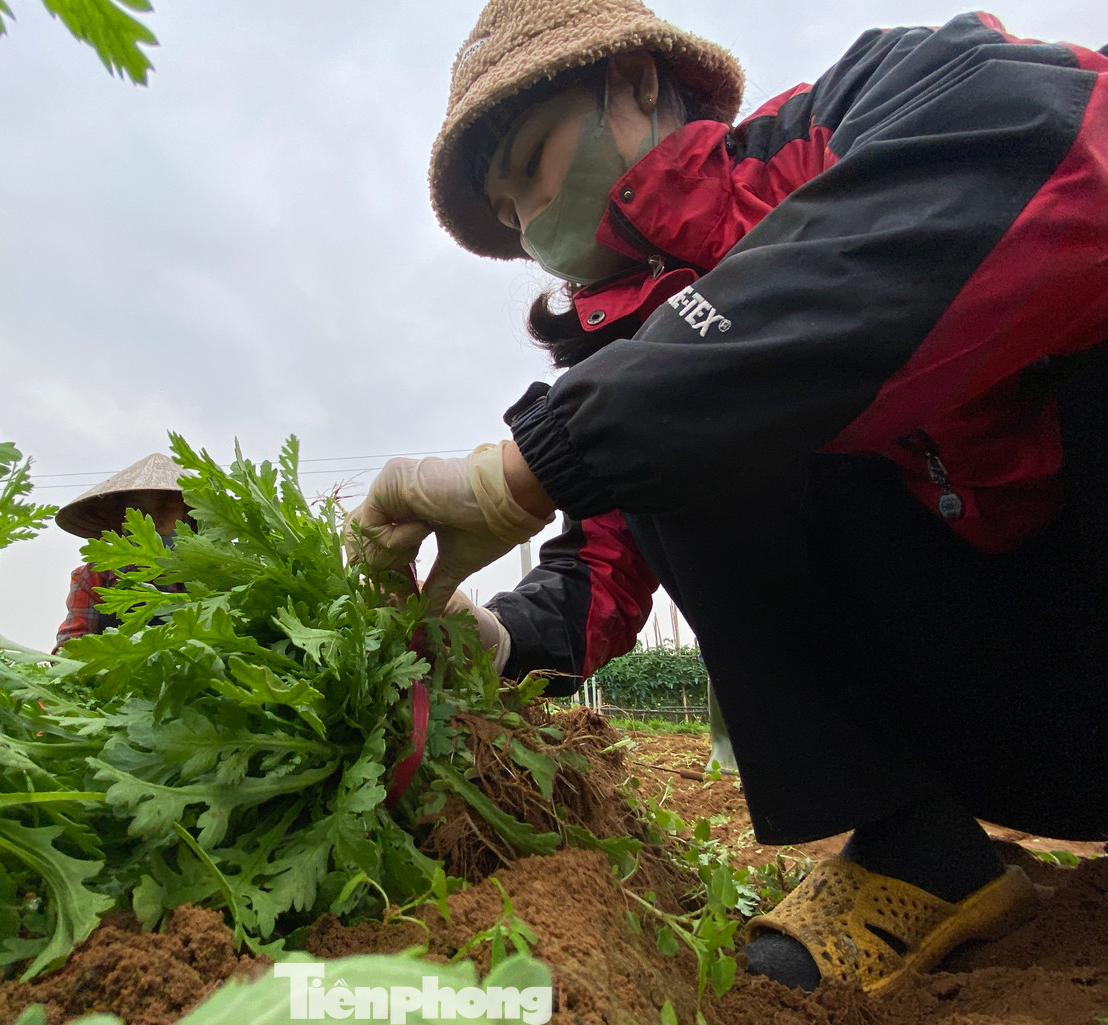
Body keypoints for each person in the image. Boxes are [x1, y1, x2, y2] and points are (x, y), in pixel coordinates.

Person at [347, 0, 1108, 995]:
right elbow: (606, 556)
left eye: (530, 160)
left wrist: (534, 461)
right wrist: (490, 636)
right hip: (1010, 702)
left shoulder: (876, 103)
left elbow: (1063, 149)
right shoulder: (627, 357)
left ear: (633, 81)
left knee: (672, 397)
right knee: (656, 416)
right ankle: (920, 850)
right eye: (505, 215)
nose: (531, 222)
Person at [53, 453, 194, 651]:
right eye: (139, 509)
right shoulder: (95, 576)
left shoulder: (218, 571)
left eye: (164, 508)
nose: (151, 521)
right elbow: (71, 646)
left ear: (188, 514)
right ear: (123, 516)